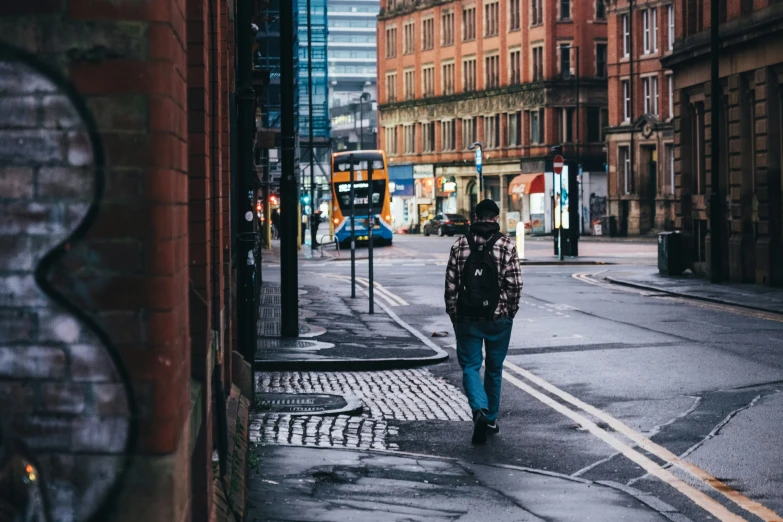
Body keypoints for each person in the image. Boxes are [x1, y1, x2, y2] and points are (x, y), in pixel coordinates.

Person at [444, 199, 522, 444]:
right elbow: (515, 285)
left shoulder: (459, 245)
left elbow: (450, 285)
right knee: (494, 369)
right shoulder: (507, 245)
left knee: (470, 366)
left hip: (467, 317)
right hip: (498, 318)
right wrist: (509, 311)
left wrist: (454, 315)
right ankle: (490, 418)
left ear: (475, 217)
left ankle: (478, 410)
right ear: (496, 218)